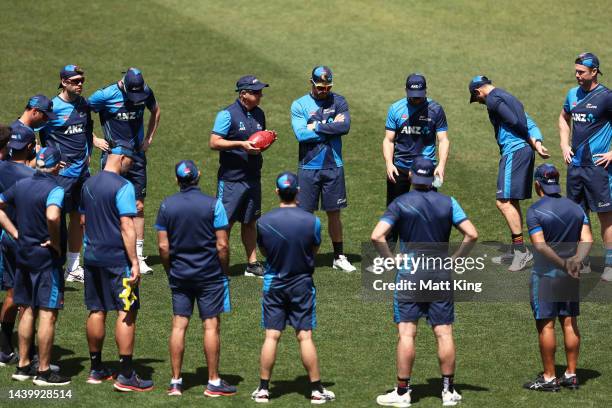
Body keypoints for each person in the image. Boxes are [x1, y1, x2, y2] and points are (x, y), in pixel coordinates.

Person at [371, 157, 478, 407]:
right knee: (444, 332)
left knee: (407, 333)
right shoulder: (448, 202)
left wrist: (391, 261)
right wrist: (454, 259)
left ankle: (402, 392)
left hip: (410, 273)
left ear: (410, 177)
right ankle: (448, 391)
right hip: (440, 272)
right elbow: (472, 233)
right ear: (433, 178)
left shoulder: (400, 203)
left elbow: (377, 236)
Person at [251, 172, 335, 404]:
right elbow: (314, 250)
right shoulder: (313, 221)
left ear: (277, 192)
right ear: (298, 191)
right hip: (302, 284)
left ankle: (263, 390)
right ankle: (317, 391)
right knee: (305, 336)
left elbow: (264, 250)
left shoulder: (264, 222)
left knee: (271, 336)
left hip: (274, 283)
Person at [155, 160, 236, 397]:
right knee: (211, 326)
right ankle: (213, 382)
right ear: (198, 176)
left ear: (176, 179)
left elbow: (162, 245)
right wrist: (224, 269)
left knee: (179, 325)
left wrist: (170, 269)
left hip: (180, 275)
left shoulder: (167, 205)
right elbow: (222, 244)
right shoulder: (214, 204)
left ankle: (176, 382)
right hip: (209, 275)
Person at [80, 141, 152, 391]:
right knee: (126, 311)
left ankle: (96, 368)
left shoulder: (88, 183)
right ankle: (126, 373)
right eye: (130, 162)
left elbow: (82, 220)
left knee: (96, 310)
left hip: (91, 257)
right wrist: (134, 262)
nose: (131, 166)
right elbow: (127, 226)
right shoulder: (124, 186)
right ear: (121, 158)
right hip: (116, 259)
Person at [0, 147, 70, 386]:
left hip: (24, 256)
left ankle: (23, 365)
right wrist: (56, 242)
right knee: (48, 314)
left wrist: (15, 233)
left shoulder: (23, 184)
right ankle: (43, 371)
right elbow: (52, 216)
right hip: (46, 259)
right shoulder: (55, 189)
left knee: (26, 310)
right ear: (57, 166)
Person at [523, 164, 592, 391]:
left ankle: (549, 377)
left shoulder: (535, 211)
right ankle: (571, 374)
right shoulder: (576, 209)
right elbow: (588, 239)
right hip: (571, 276)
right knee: (570, 322)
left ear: (537, 185)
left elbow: (540, 246)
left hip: (545, 276)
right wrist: (575, 261)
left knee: (547, 326)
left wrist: (563, 264)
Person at [469, 75, 549, 271]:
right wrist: (536, 142)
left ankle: (522, 252)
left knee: (503, 202)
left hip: (514, 151)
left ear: (478, 92)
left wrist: (528, 141)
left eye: (476, 98)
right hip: (523, 150)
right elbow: (527, 120)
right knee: (511, 200)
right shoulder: (509, 97)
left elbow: (516, 122)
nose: (479, 102)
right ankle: (516, 249)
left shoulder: (492, 100)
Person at [89, 68, 161, 275]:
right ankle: (112, 251)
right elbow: (82, 112)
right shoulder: (105, 95)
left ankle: (138, 256)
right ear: (124, 84)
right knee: (109, 204)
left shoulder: (145, 91)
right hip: (113, 156)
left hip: (137, 156)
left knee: (138, 205)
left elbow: (156, 110)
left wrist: (149, 139)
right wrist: (94, 139)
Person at [39, 64, 107, 283]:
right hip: (60, 174)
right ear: (64, 81)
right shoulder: (52, 107)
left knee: (79, 218)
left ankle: (73, 267)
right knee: (55, 219)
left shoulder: (83, 105)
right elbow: (31, 130)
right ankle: (50, 264)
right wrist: (41, 158)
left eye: (82, 81)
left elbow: (86, 126)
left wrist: (93, 140)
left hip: (81, 172)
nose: (80, 85)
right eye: (76, 81)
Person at [291, 66, 355, 272]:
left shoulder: (340, 101)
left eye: (327, 87)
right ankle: (304, 255)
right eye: (320, 87)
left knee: (334, 213)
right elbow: (301, 135)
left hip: (333, 166)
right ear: (311, 83)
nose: (324, 91)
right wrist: (330, 128)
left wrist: (316, 127)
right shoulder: (299, 105)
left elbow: (344, 127)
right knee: (306, 214)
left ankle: (338, 256)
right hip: (308, 167)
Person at [558, 52, 612, 281]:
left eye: (581, 72)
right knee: (579, 215)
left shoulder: (606, 97)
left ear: (594, 72)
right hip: (575, 167)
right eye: (576, 71)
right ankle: (585, 260)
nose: (577, 76)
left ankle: (609, 264)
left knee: (606, 216)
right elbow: (563, 118)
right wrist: (563, 144)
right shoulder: (572, 94)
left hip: (598, 168)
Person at [209, 75, 270, 277]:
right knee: (225, 222)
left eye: (260, 91)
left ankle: (252, 264)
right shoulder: (227, 115)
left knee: (250, 221)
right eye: (256, 92)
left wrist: (267, 142)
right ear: (243, 94)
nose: (260, 95)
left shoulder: (259, 114)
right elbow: (214, 142)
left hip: (253, 177)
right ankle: (218, 264)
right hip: (231, 180)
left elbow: (257, 143)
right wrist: (240, 144)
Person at [383, 73, 450, 244]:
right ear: (406, 91)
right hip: (400, 168)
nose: (416, 100)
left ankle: (430, 254)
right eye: (412, 97)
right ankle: (386, 257)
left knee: (429, 212)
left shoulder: (436, 109)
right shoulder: (396, 109)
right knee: (393, 212)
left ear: (425, 91)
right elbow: (389, 139)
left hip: (427, 169)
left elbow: (443, 140)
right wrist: (389, 163)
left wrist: (441, 165)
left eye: (419, 97)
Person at [0, 126, 36, 366]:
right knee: (30, 300)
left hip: (6, 237)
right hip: (26, 241)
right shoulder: (32, 178)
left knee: (13, 293)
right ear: (31, 147)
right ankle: (29, 357)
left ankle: (4, 347)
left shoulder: (2, 169)